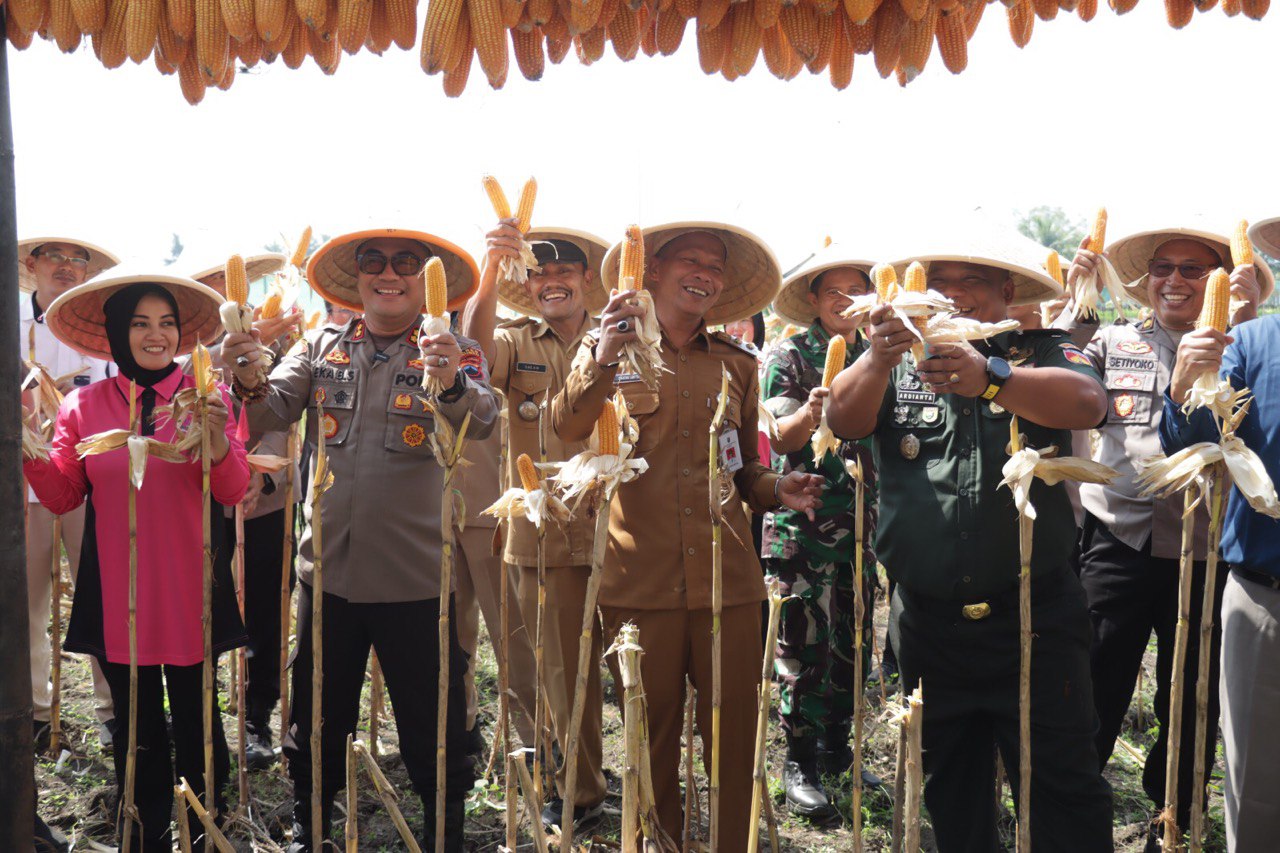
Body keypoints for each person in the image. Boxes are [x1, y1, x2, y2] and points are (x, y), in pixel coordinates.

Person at [826, 233, 1114, 851]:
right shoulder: (891, 356)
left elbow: (1090, 404)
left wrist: (990, 377)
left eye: (970, 282)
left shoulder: (1039, 350)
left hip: (1035, 622)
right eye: (937, 282)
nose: (950, 295)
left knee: (1062, 786)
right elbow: (843, 422)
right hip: (928, 628)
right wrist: (876, 359)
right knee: (949, 791)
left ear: (1007, 292)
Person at [550, 222, 824, 851]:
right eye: (690, 261)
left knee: (733, 742)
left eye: (715, 266)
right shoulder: (606, 349)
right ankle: (661, 842)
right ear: (651, 271)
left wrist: (774, 489)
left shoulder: (736, 362)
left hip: (729, 583)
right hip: (638, 582)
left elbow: (741, 466)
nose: (704, 273)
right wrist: (604, 354)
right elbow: (567, 427)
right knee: (652, 738)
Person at [221, 227, 496, 851]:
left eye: (406, 263)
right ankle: (310, 824)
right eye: (375, 261)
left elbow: (482, 418)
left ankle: (443, 833)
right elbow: (265, 411)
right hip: (330, 578)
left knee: (434, 726)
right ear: (360, 277)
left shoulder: (454, 349)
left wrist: (449, 378)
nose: (389, 273)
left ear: (427, 280)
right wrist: (242, 367)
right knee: (317, 721)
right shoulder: (321, 346)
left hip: (417, 579)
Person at [1064, 224, 1272, 847]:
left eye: (1193, 271)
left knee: (1193, 698)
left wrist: (1248, 314)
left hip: (1208, 550)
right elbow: (1063, 373)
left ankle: (1172, 819)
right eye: (1163, 268)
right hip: (1117, 541)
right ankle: (1075, 816)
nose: (1175, 282)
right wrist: (1079, 299)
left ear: (1219, 281)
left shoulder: (1246, 344)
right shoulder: (1114, 340)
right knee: (1096, 681)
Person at [25, 272, 248, 851]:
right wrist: (26, 449)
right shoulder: (84, 405)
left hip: (189, 585)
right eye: (140, 323)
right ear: (117, 335)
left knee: (201, 724)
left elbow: (232, 489)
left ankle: (208, 832)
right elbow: (63, 494)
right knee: (137, 728)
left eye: (166, 323)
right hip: (120, 591)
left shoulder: (207, 396)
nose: (155, 335)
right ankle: (144, 832)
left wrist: (216, 437)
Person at [460, 223, 611, 826]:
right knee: (545, 668)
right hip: (541, 527)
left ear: (585, 280)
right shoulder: (513, 339)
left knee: (624, 667)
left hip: (618, 529)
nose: (552, 281)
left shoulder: (620, 339)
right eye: (540, 273)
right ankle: (571, 788)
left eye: (565, 271)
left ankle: (642, 783)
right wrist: (491, 267)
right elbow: (471, 350)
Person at [760, 246, 879, 818]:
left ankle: (838, 748)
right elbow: (778, 439)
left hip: (862, 525)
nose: (845, 302)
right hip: (804, 527)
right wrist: (813, 412)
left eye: (857, 291)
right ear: (813, 299)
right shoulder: (789, 354)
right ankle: (799, 759)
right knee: (803, 649)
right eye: (834, 291)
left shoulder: (883, 354)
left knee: (853, 643)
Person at [1160, 308, 1280, 852]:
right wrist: (1184, 384)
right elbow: (1189, 441)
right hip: (1264, 597)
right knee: (1255, 785)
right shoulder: (1251, 343)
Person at [192, 252, 303, 769]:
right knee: (208, 603)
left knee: (265, 604)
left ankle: (258, 713)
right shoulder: (186, 341)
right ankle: (201, 711)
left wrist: (263, 473)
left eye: (225, 281)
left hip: (266, 493)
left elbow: (280, 408)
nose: (220, 291)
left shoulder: (276, 338)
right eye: (208, 282)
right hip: (202, 493)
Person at [18, 235, 120, 751]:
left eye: (77, 259)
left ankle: (111, 708)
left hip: (88, 479)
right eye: (54, 257)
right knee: (25, 600)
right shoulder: (8, 326)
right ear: (31, 265)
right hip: (21, 483)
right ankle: (33, 709)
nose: (66, 267)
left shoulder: (97, 332)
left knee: (99, 594)